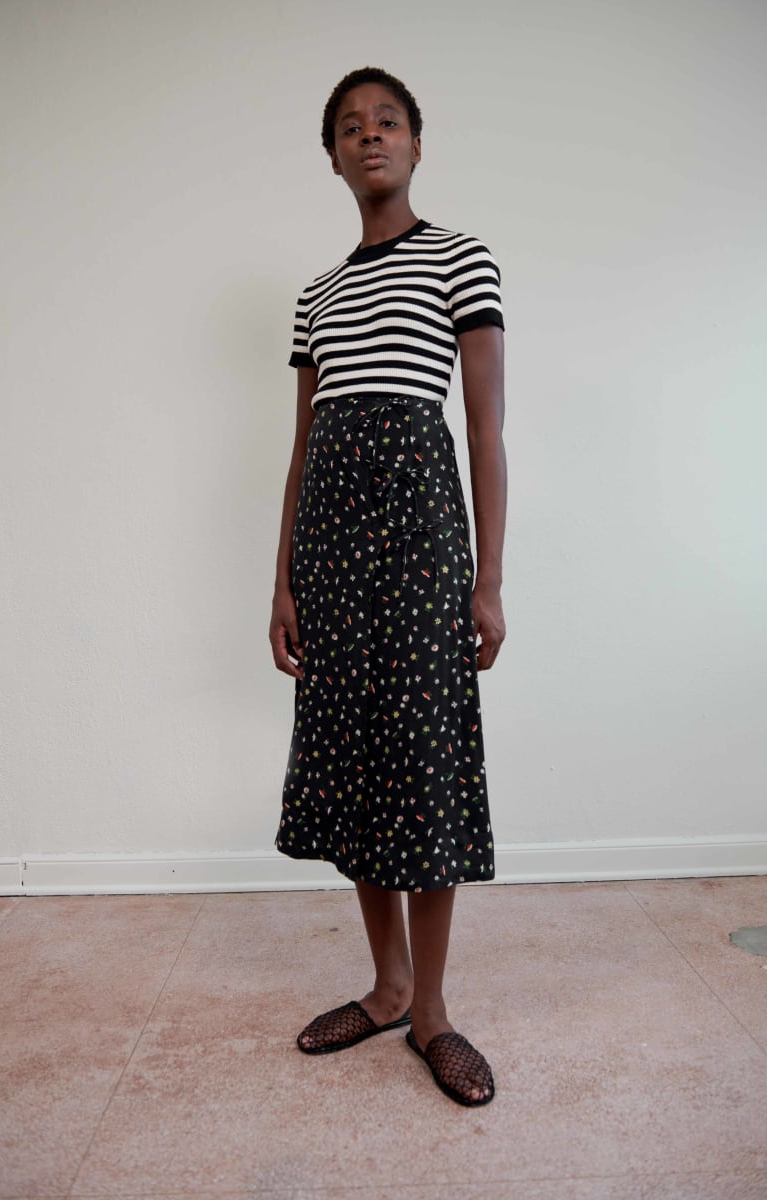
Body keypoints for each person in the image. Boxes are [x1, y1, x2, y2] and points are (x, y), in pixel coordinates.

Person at [269, 66, 506, 1107]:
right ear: (331, 157)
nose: (370, 137)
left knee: (424, 759)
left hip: (420, 544)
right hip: (328, 548)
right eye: (350, 128)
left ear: (415, 143)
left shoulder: (460, 258)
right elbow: (302, 447)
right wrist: (281, 582)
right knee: (356, 758)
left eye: (388, 121)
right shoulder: (315, 296)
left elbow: (485, 432)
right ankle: (386, 989)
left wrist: (487, 581)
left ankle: (435, 1012)